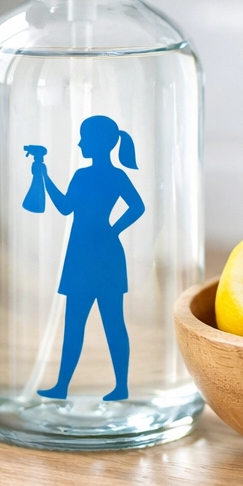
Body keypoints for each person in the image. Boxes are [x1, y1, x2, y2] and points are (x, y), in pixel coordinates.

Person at [30, 115, 145, 402]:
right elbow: (66, 206)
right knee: (79, 323)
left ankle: (121, 387)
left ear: (100, 142)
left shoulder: (110, 176)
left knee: (110, 323)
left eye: (84, 138)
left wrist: (113, 230)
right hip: (84, 254)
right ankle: (63, 386)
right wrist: (43, 177)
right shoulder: (84, 175)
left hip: (96, 254)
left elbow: (138, 206)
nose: (79, 143)